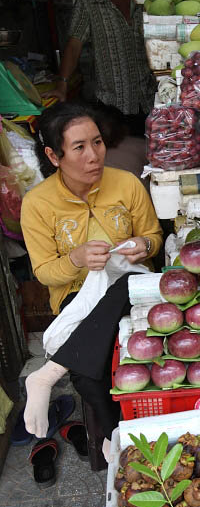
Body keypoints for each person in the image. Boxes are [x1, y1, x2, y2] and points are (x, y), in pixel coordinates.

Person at [20, 101, 162, 458]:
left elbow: (154, 236)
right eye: (79, 147)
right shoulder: (37, 203)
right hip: (75, 295)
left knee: (126, 282)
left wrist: (142, 245)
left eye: (97, 142)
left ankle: (50, 373)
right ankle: (120, 436)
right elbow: (44, 272)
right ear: (54, 156)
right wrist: (76, 258)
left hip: (131, 289)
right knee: (89, 375)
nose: (93, 155)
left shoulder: (126, 184)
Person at [48, 0, 155, 136]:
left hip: (148, 102)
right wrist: (62, 84)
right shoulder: (88, 2)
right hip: (110, 107)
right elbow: (74, 44)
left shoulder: (145, 0)